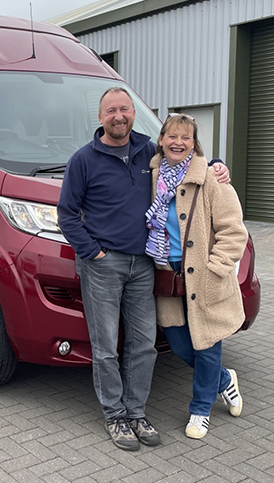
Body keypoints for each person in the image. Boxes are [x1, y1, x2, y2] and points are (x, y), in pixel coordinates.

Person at [57, 88, 229, 451]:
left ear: (134, 113)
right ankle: (115, 417)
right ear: (100, 116)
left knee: (144, 345)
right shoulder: (83, 160)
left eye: (124, 109)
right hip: (104, 264)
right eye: (110, 111)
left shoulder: (147, 151)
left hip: (146, 264)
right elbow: (67, 214)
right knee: (105, 346)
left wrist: (215, 163)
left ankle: (136, 412)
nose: (118, 116)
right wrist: (93, 253)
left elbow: (183, 156)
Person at [145, 113, 248, 439]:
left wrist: (217, 268)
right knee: (179, 345)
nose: (178, 142)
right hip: (168, 277)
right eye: (172, 136)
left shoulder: (211, 178)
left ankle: (200, 409)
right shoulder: (149, 176)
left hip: (205, 278)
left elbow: (233, 231)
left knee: (207, 345)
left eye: (185, 138)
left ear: (194, 142)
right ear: (160, 139)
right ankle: (224, 380)